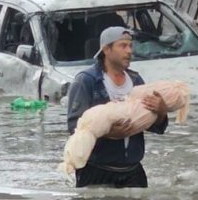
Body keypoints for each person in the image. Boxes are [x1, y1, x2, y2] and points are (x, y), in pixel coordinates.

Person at [66, 26, 168, 188]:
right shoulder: (87, 81)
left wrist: (161, 111)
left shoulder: (136, 81)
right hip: (96, 170)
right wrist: (110, 133)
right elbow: (74, 126)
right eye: (123, 46)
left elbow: (155, 126)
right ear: (106, 49)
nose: (129, 51)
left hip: (132, 171)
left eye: (130, 46)